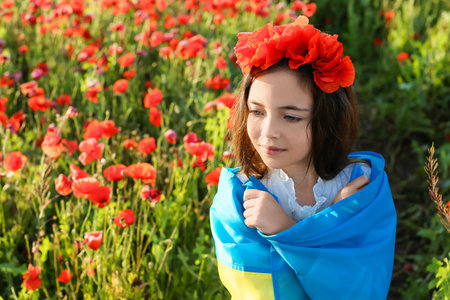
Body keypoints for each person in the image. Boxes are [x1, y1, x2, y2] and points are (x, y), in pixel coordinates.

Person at [209, 15, 397, 300]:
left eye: (292, 117)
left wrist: (291, 228)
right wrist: (324, 230)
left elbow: (361, 286)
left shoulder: (360, 188)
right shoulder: (239, 198)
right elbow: (256, 290)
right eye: (257, 112)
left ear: (328, 119)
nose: (269, 132)